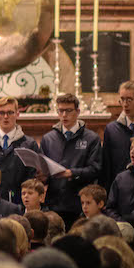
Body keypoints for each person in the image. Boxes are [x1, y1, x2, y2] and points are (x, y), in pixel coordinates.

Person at [40, 93, 102, 227]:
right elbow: (44, 169)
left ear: (78, 112)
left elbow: (95, 169)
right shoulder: (48, 138)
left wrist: (71, 173)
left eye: (68, 111)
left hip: (79, 203)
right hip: (54, 202)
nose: (64, 115)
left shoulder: (91, 138)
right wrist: (42, 176)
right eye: (60, 111)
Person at [0, 96, 42, 204]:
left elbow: (35, 176)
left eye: (10, 112)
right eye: (1, 113)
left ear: (17, 114)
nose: (6, 117)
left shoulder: (29, 144)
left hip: (19, 202)